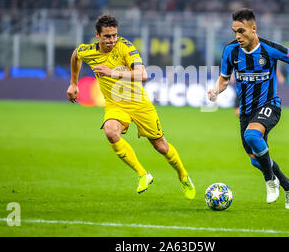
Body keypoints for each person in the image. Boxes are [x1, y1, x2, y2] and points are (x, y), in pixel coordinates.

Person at [208, 8, 289, 209]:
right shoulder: (230, 51)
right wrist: (216, 90)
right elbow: (224, 78)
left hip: (269, 105)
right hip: (246, 111)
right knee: (256, 160)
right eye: (234, 32)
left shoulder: (269, 49)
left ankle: (270, 181)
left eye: (241, 31)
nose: (238, 36)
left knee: (252, 136)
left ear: (254, 28)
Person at [67, 14, 195, 199]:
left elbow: (142, 75)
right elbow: (75, 55)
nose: (112, 40)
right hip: (115, 104)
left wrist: (111, 72)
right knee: (110, 132)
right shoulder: (88, 50)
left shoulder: (125, 47)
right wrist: (74, 83)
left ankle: (183, 175)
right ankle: (143, 174)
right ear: (97, 35)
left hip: (138, 102)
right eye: (107, 36)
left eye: (114, 35)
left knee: (161, 146)